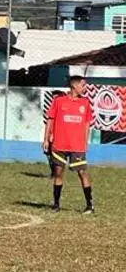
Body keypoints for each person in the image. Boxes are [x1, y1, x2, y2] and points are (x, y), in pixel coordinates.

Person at [44, 73, 95, 214]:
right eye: (83, 85)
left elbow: (86, 124)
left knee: (82, 173)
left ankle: (89, 205)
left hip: (77, 146)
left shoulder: (85, 103)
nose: (85, 88)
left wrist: (85, 142)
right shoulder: (59, 101)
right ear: (74, 85)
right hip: (59, 144)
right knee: (58, 174)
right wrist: (46, 139)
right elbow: (50, 119)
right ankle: (56, 204)